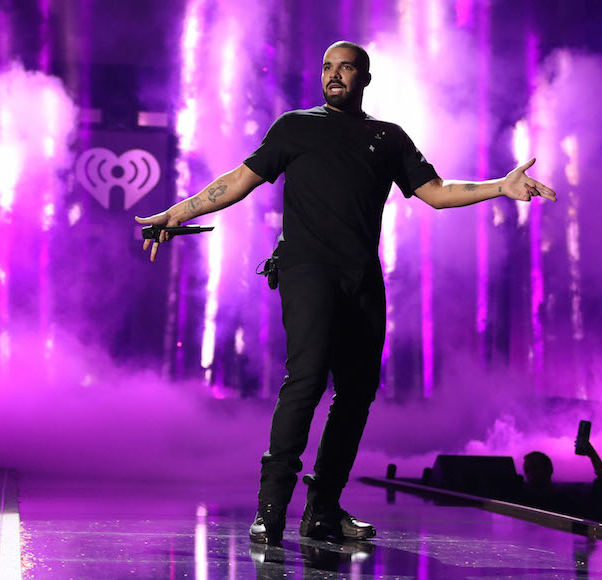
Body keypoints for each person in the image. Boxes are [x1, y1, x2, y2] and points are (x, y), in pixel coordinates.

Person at [136, 40, 556, 545]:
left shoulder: (388, 137)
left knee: (356, 393)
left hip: (362, 277)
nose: (334, 76)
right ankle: (271, 508)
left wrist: (500, 187)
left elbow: (438, 194)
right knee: (308, 378)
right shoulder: (296, 126)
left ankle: (323, 508)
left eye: (346, 68)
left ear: (365, 77)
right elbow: (236, 182)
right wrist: (175, 214)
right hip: (307, 269)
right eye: (327, 68)